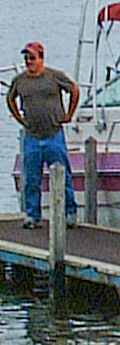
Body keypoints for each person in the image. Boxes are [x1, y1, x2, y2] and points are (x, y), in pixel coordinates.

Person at [7, 41, 80, 228]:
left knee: (63, 175)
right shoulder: (20, 80)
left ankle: (70, 212)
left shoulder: (54, 77)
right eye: (26, 58)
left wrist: (69, 115)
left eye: (32, 58)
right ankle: (32, 215)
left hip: (54, 134)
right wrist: (19, 119)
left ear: (41, 58)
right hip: (32, 136)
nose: (29, 62)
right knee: (31, 178)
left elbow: (74, 89)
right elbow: (10, 98)